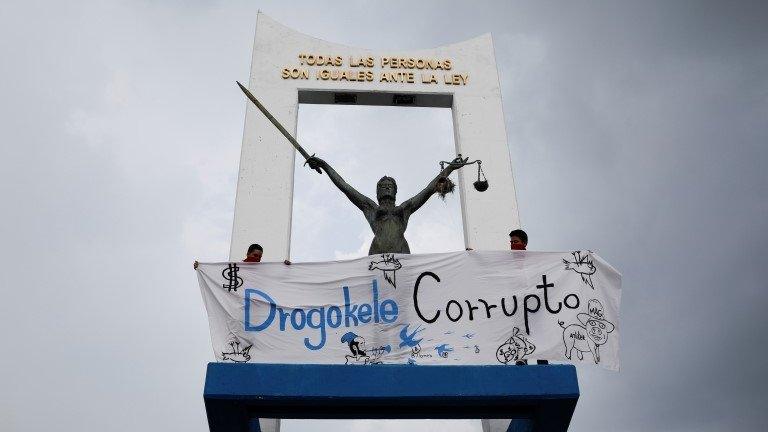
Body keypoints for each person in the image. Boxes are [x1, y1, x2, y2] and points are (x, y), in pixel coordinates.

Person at [509, 229, 549, 365]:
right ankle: (521, 359)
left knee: (538, 332)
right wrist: (475, 256)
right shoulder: (506, 261)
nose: (512, 245)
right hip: (518, 304)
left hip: (535, 303)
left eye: (516, 242)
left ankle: (542, 363)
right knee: (520, 329)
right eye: (511, 242)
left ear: (524, 243)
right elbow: (490, 266)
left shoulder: (534, 260)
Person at [193, 243, 290, 269]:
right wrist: (202, 267)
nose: (257, 259)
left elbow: (277, 275)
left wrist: (286, 267)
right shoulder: (236, 267)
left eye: (259, 257)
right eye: (255, 255)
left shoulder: (262, 269)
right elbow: (217, 273)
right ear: (248, 254)